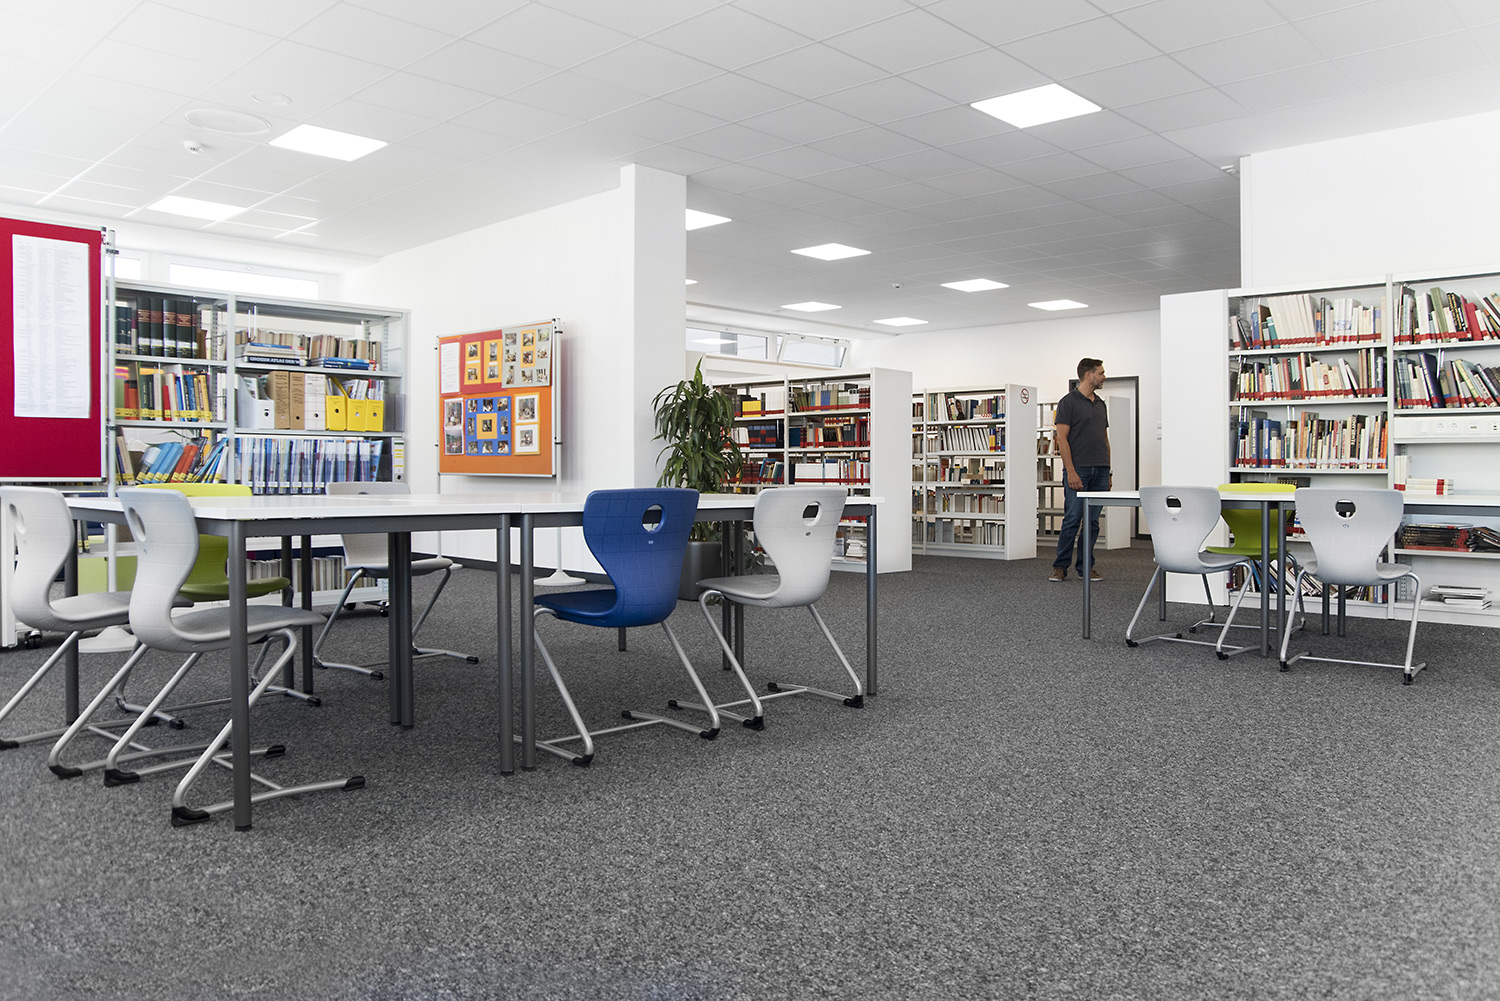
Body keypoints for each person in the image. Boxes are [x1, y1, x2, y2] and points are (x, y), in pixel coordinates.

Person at [1050, 358, 1111, 582]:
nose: (1104, 377)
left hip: (1100, 471)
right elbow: (1062, 439)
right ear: (1088, 375)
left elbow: (1104, 439)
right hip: (1079, 470)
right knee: (1072, 519)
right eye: (1101, 373)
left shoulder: (1101, 404)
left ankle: (1085, 567)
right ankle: (1060, 566)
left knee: (1093, 522)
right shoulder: (1068, 402)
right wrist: (1071, 471)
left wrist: (1108, 471)